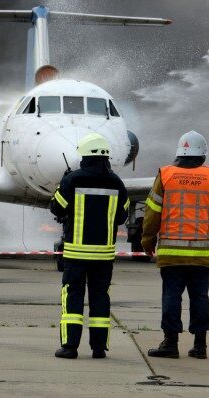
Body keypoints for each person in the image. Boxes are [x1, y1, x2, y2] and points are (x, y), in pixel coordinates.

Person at [141, 130, 209, 359]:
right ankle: (200, 345)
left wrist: (147, 238)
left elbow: (152, 211)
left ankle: (170, 344)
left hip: (171, 253)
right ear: (203, 153)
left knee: (171, 297)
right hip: (200, 254)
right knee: (200, 297)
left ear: (179, 153)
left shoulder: (166, 174)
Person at [50, 133, 129, 359]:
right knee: (100, 299)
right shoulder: (117, 183)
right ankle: (98, 348)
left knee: (73, 298)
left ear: (85, 156)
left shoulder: (73, 180)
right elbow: (122, 217)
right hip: (104, 256)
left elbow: (57, 208)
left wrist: (62, 185)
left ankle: (70, 347)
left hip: (76, 254)